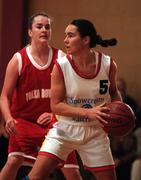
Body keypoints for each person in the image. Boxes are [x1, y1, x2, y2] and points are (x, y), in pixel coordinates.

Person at [26, 18, 122, 180]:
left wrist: (118, 113)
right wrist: (88, 112)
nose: (65, 40)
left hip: (95, 132)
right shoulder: (61, 66)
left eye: (70, 36)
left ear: (85, 40)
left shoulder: (108, 64)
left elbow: (114, 92)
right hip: (65, 128)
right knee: (35, 177)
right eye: (65, 36)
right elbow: (56, 106)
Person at [0, 12, 81, 180]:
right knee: (14, 159)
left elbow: (74, 96)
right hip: (23, 122)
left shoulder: (62, 59)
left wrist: (55, 114)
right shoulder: (18, 59)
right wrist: (8, 118)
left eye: (47, 27)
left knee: (72, 171)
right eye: (39, 26)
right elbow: (4, 96)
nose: (44, 30)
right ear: (30, 32)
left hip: (54, 123)